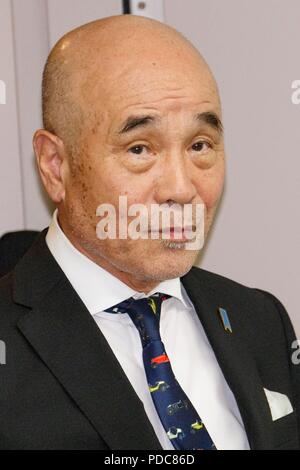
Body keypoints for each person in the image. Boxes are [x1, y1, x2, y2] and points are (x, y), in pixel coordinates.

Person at [0, 14, 298, 450]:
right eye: (140, 149)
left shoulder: (260, 319)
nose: (181, 188)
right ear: (54, 166)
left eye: (200, 145)